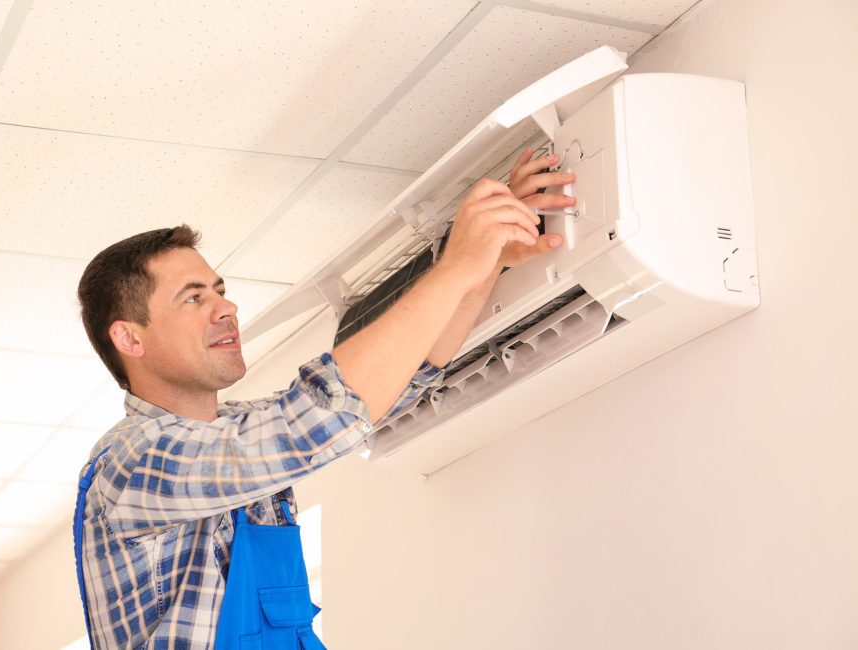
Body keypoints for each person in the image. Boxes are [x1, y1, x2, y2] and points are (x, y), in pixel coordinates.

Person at [73, 148, 576, 649]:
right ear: (130, 339)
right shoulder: (130, 459)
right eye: (194, 297)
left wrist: (486, 263)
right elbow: (318, 417)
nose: (227, 307)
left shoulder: (236, 433)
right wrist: (455, 265)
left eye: (220, 290)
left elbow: (405, 381)